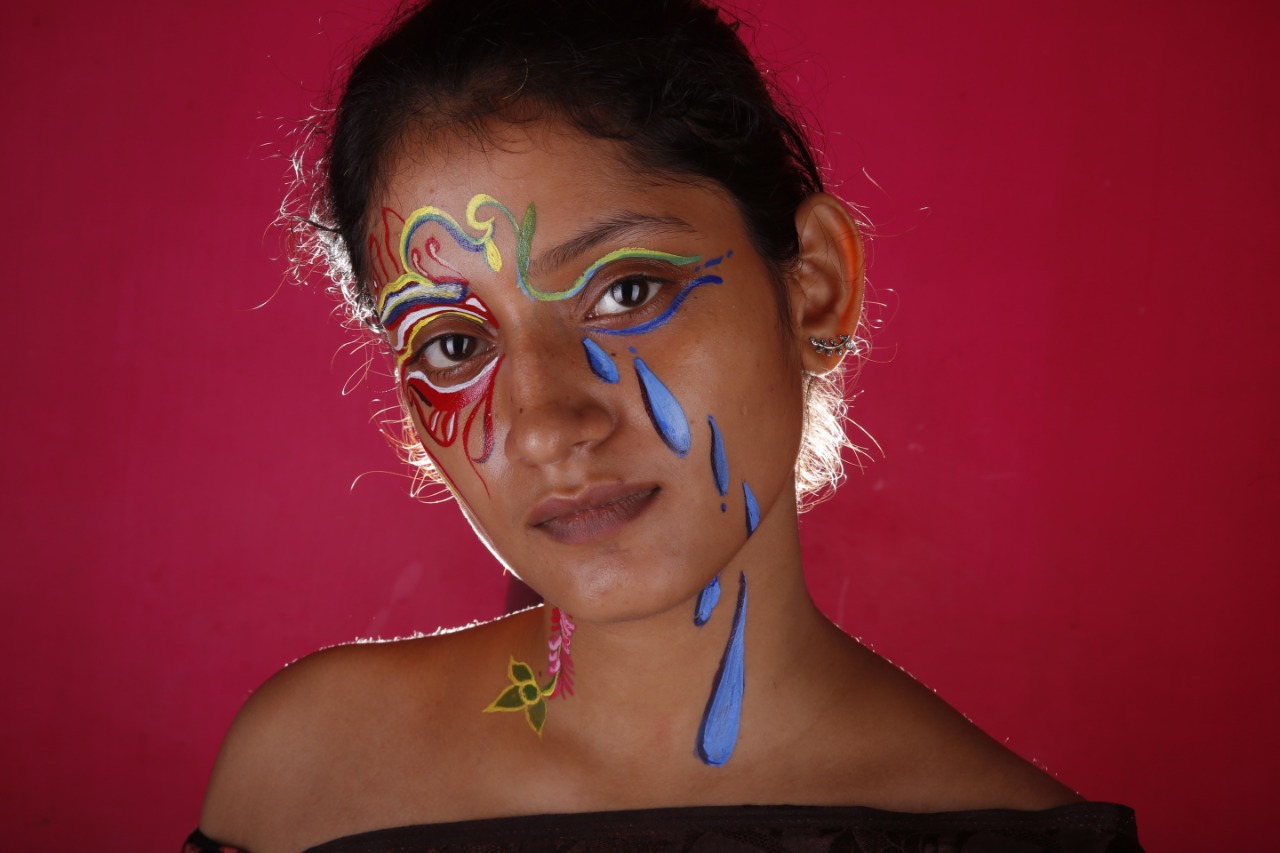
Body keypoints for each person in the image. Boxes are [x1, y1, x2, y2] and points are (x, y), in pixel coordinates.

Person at [188, 1, 1141, 850]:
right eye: (453, 344)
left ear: (816, 287)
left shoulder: (1006, 833)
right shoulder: (305, 776)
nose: (546, 424)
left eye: (628, 290)